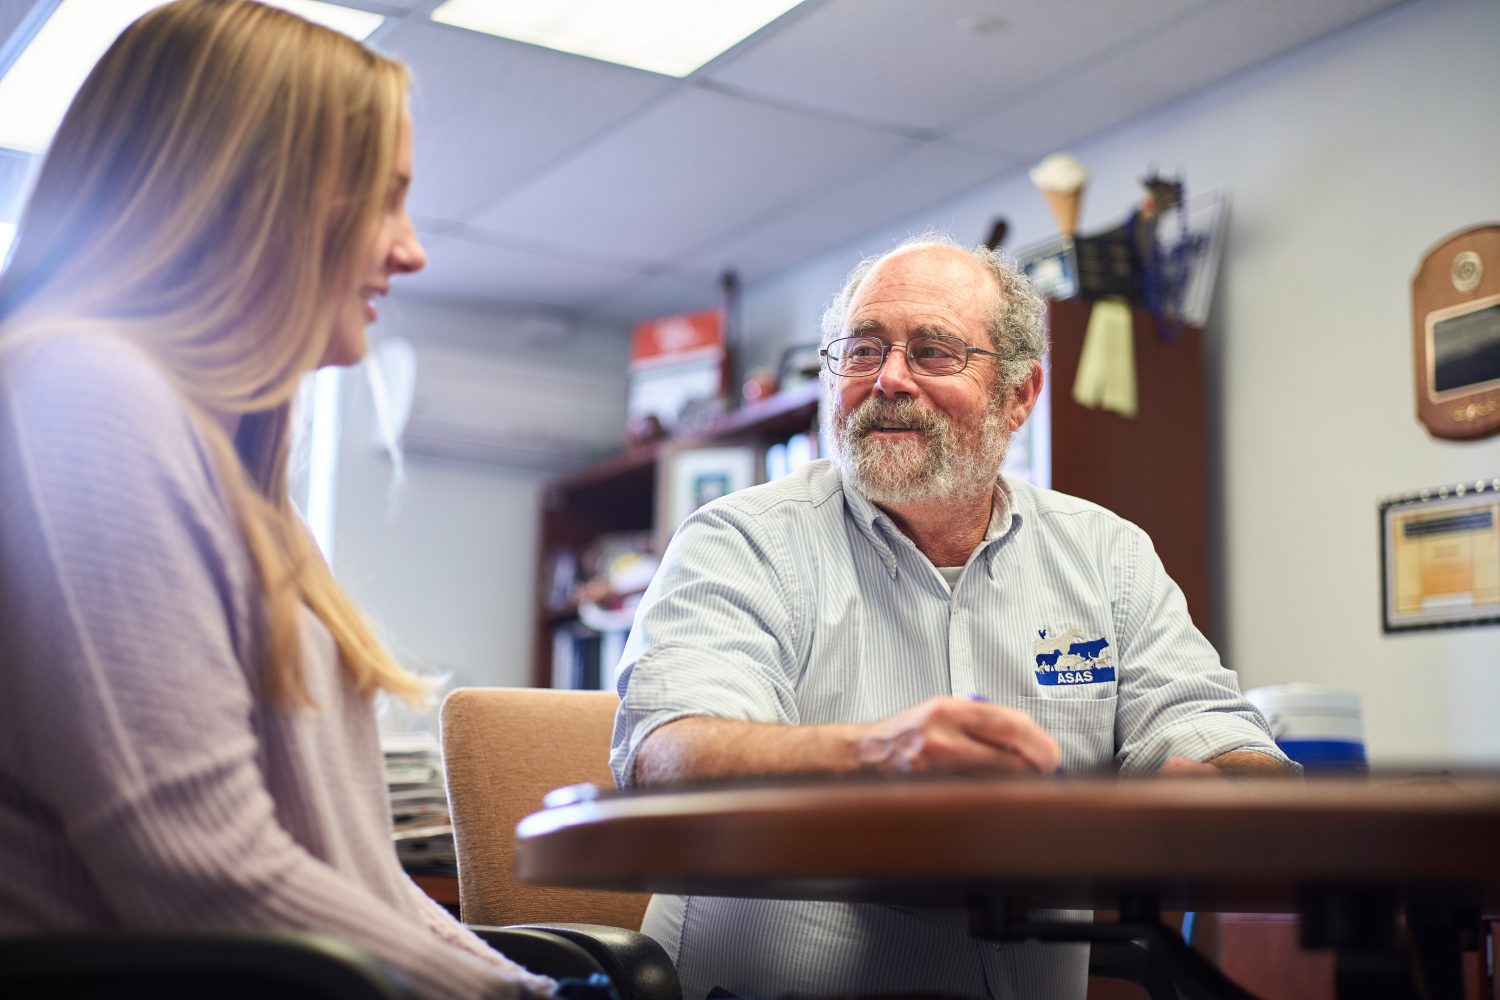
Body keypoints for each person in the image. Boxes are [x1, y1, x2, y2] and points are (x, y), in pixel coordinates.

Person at [0, 3, 553, 997]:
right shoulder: (79, 395)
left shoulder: (232, 474)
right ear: (256, 196)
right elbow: (199, 864)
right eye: (386, 200)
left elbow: (365, 883)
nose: (412, 249)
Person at [609, 234, 1294, 998]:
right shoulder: (741, 539)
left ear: (1020, 396)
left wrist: (1215, 789)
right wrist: (877, 756)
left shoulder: (1108, 557)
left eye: (933, 352)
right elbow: (667, 756)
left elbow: (1221, 741)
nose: (889, 379)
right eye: (863, 351)